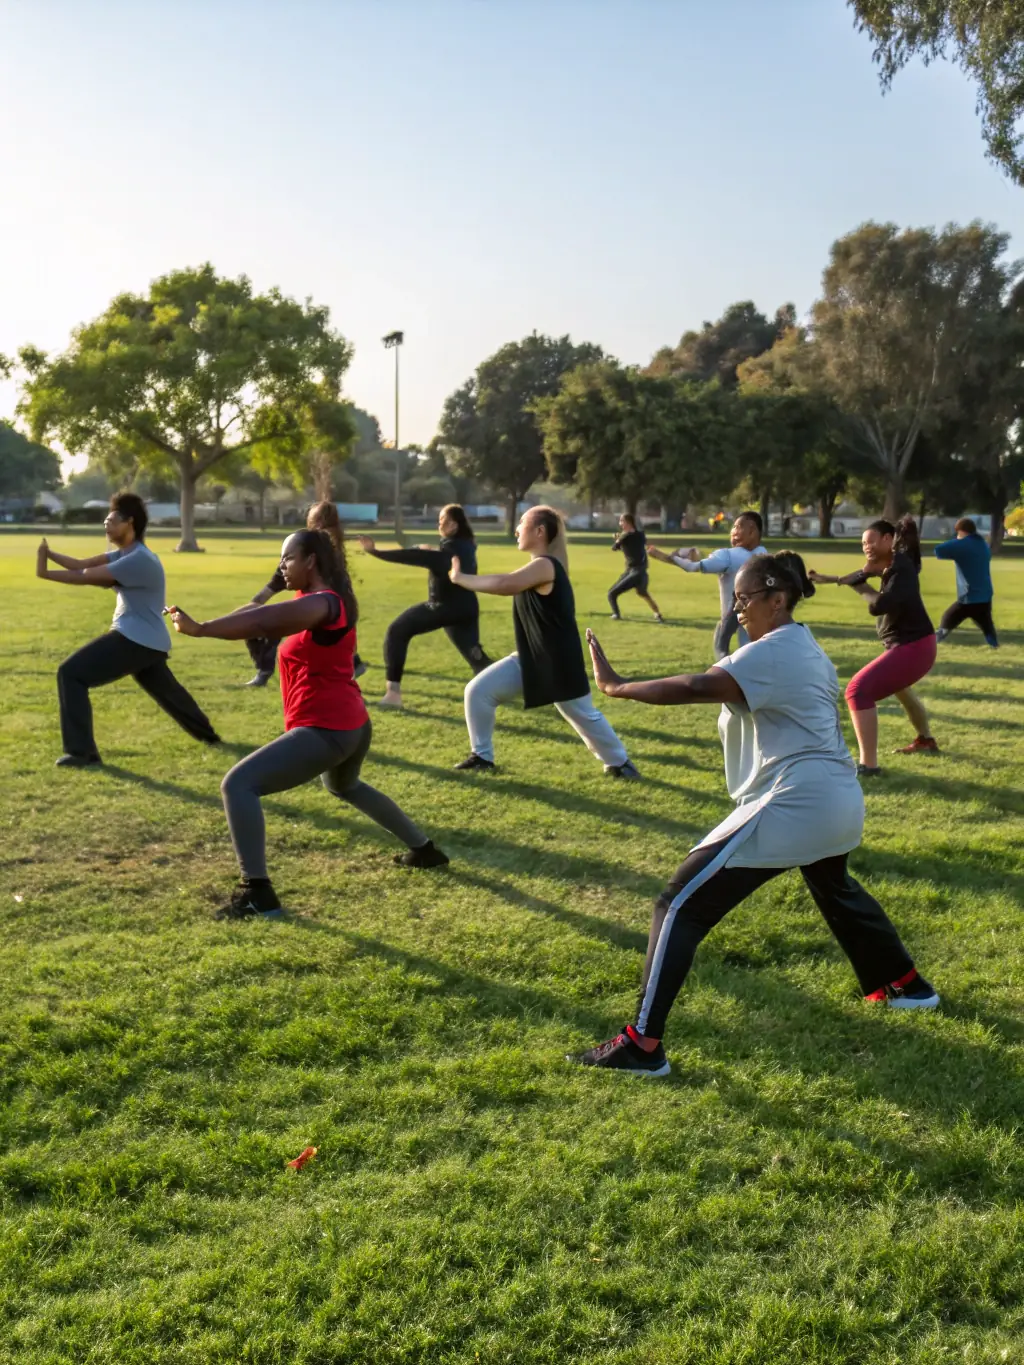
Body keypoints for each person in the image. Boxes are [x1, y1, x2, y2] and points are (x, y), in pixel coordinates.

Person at [570, 550, 939, 1077]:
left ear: (778, 598)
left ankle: (642, 1046)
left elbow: (699, 686)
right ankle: (903, 984)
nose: (738, 608)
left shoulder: (775, 651)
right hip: (835, 799)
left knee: (677, 905)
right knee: (834, 887)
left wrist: (617, 686)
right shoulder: (799, 643)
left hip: (798, 800)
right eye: (736, 598)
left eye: (745, 598)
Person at [168, 528, 449, 920]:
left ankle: (258, 893)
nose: (281, 567)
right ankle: (425, 850)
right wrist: (200, 625)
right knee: (344, 785)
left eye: (287, 558)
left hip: (328, 728)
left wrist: (200, 630)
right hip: (351, 723)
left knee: (238, 785)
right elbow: (257, 614)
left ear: (310, 561)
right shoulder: (311, 600)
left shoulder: (324, 604)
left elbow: (261, 623)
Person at [448, 505, 639, 779]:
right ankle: (482, 757)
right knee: (478, 691)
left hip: (559, 660)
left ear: (539, 531)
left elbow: (504, 584)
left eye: (522, 524)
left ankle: (620, 764)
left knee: (582, 714)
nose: (516, 530)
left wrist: (459, 578)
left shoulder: (545, 565)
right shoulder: (539, 565)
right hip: (532, 657)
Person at [36, 492, 220, 767]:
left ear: (129, 522)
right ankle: (211, 738)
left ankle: (82, 753)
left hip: (134, 638)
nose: (106, 526)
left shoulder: (138, 560)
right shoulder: (126, 554)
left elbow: (83, 577)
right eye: (105, 522)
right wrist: (48, 554)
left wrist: (44, 571)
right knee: (170, 693)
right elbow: (81, 565)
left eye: (112, 521)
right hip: (148, 640)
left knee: (71, 674)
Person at [810, 516, 938, 776]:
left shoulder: (900, 570)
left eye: (870, 542)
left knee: (857, 691)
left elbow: (878, 605)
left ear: (887, 540)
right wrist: (830, 578)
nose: (866, 547)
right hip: (911, 645)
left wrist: (860, 586)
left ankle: (869, 765)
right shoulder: (893, 563)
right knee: (903, 692)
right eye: (863, 543)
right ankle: (925, 740)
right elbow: (861, 574)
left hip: (914, 647)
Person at [357, 505, 491, 710]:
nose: (439, 524)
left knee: (397, 631)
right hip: (467, 607)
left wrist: (376, 552)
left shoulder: (450, 551)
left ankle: (393, 695)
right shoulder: (465, 545)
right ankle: (520, 681)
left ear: (454, 525)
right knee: (478, 661)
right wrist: (433, 551)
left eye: (442, 521)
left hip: (444, 607)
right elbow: (442, 556)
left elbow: (412, 556)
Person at [244, 501, 368, 686]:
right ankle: (264, 669)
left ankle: (264, 671)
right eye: (321, 524)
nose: (325, 530)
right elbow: (266, 593)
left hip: (321, 619)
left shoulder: (333, 559)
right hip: (315, 616)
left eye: (327, 525)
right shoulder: (301, 555)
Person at [649, 511, 767, 659]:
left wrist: (667, 557)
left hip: (734, 614)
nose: (732, 531)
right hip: (760, 617)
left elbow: (693, 566)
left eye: (737, 527)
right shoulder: (764, 554)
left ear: (751, 529)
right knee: (753, 655)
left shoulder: (728, 556)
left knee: (721, 648)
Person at [934, 518, 998, 648]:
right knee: (987, 625)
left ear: (961, 531)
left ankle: (936, 639)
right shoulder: (983, 544)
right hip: (985, 594)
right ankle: (994, 645)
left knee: (948, 618)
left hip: (969, 595)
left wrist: (957, 541)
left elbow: (939, 550)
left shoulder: (964, 544)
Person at [608, 514, 663, 622]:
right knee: (642, 593)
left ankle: (616, 614)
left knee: (611, 594)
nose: (620, 524)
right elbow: (634, 546)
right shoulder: (641, 535)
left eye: (621, 521)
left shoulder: (625, 536)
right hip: (641, 571)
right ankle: (657, 614)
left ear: (628, 522)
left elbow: (614, 548)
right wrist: (621, 540)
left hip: (635, 572)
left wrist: (617, 539)